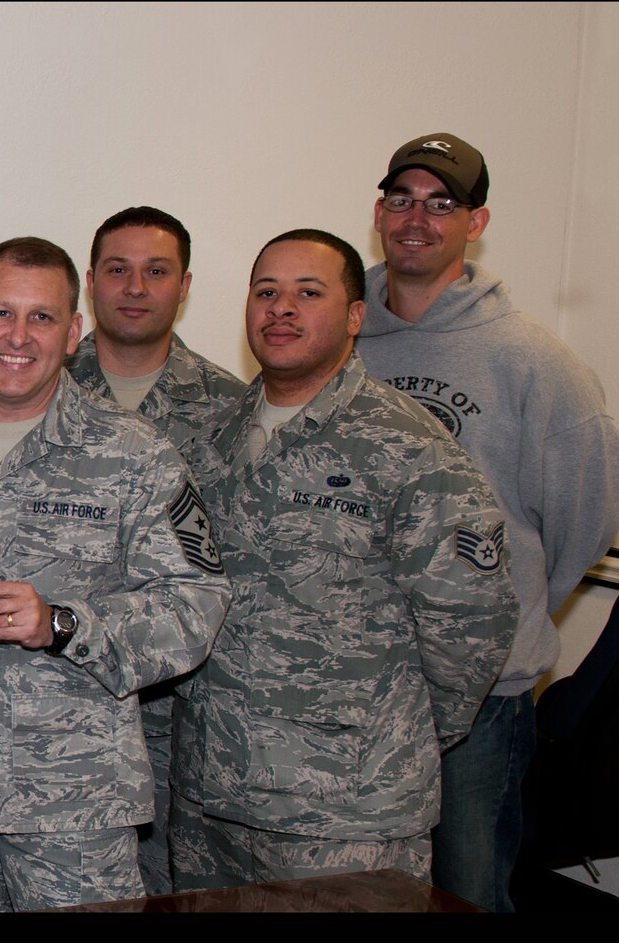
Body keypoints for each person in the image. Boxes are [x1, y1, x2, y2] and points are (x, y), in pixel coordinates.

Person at [0, 237, 228, 911]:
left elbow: (194, 606)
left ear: (74, 332)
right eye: (1, 314)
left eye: (42, 317)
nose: (18, 336)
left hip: (72, 804)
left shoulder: (135, 454)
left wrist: (62, 621)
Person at [170, 230, 518, 889]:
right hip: (212, 803)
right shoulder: (213, 438)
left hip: (345, 818)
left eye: (309, 292)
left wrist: (378, 742)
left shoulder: (409, 448)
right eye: (266, 291)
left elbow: (471, 630)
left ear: (356, 315)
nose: (282, 308)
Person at [353, 133, 619, 911]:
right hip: (358, 682)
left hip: (480, 696)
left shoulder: (534, 360)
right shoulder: (337, 333)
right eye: (402, 198)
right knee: (366, 889)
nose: (417, 218)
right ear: (378, 211)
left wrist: (506, 614)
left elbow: (582, 522)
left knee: (469, 888)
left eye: (443, 203)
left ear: (477, 222)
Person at [67, 205, 242, 896]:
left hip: (190, 718)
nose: (135, 287)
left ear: (185, 284)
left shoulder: (230, 407)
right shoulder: (34, 388)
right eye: (118, 269)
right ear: (90, 282)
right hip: (67, 713)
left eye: (156, 270)